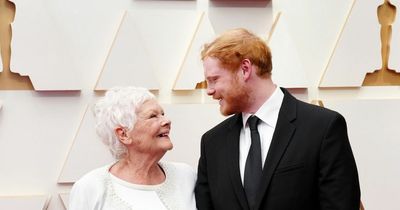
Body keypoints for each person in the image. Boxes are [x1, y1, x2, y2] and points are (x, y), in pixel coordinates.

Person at [195, 28, 360, 210]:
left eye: (214, 79)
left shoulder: (323, 128)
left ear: (245, 69)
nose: (209, 90)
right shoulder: (212, 143)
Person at [69, 87, 196, 210]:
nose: (167, 121)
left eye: (162, 114)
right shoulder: (90, 187)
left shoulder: (186, 176)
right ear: (123, 134)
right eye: (153, 116)